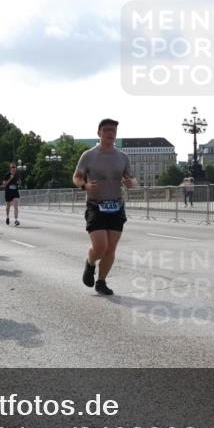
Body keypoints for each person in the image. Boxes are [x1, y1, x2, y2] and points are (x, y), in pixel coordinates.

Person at [73, 118, 137, 295]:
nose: (110, 133)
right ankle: (90, 263)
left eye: (113, 130)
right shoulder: (89, 155)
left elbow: (132, 180)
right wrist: (84, 186)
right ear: (99, 133)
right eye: (107, 130)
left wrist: (130, 182)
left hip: (116, 205)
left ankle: (101, 282)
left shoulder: (123, 157)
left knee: (111, 248)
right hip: (95, 205)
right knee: (100, 246)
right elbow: (77, 176)